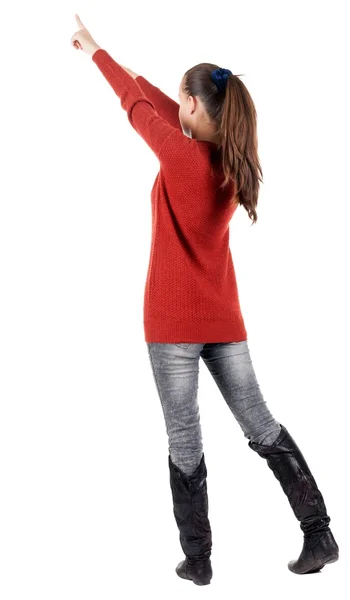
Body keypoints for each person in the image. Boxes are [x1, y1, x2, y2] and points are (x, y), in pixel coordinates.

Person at [71, 14, 339, 586]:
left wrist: (94, 50)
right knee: (261, 424)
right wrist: (133, 72)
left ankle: (199, 560)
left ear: (194, 106)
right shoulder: (231, 162)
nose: (177, 108)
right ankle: (319, 532)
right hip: (224, 318)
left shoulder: (178, 156)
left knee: (184, 440)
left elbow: (136, 106)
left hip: (171, 323)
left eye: (183, 101)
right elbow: (159, 107)